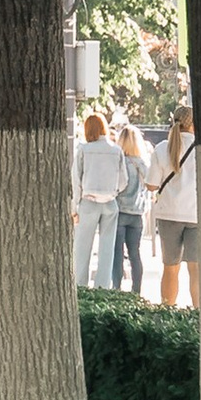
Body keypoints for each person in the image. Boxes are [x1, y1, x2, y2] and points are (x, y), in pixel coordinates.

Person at [150, 105, 199, 308]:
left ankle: (168, 312)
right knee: (196, 269)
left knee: (170, 268)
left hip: (168, 214)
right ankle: (199, 314)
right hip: (196, 214)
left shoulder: (162, 148)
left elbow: (151, 184)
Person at [70, 111, 124, 287]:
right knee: (107, 248)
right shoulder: (116, 150)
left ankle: (80, 286)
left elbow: (76, 180)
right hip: (110, 201)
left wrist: (74, 208)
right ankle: (103, 287)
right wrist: (114, 190)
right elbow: (124, 180)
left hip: (89, 201)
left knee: (82, 249)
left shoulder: (84, 149)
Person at [110, 122, 147, 295]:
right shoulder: (142, 163)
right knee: (135, 254)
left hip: (120, 211)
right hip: (137, 214)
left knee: (117, 254)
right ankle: (136, 291)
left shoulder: (119, 162)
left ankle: (116, 289)